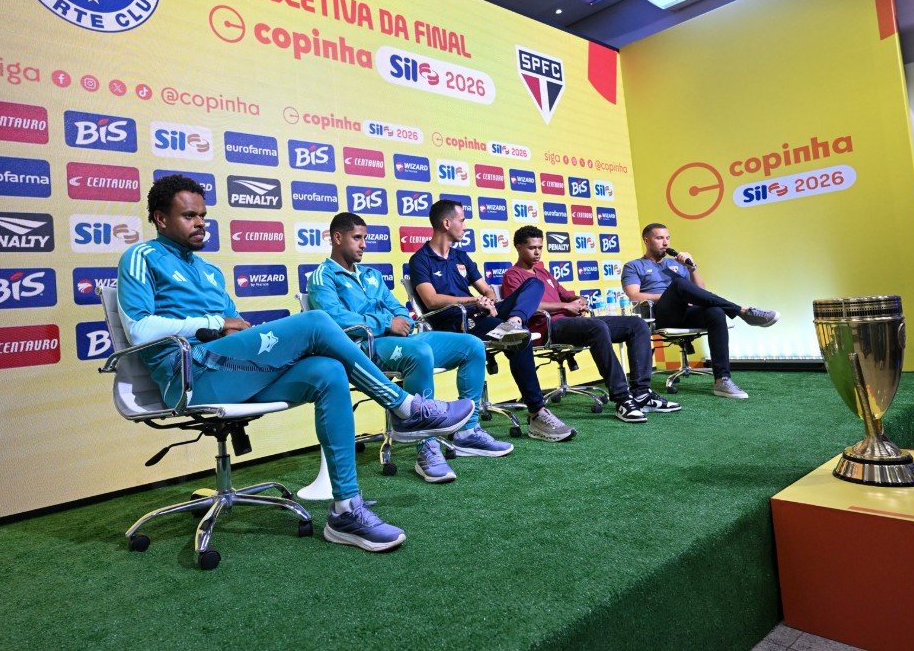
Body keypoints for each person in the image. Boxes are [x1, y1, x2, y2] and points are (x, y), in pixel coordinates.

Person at [117, 174, 474, 553]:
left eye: (203, 215)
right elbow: (139, 329)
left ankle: (346, 511)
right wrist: (214, 323)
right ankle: (405, 407)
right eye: (189, 216)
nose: (201, 222)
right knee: (318, 322)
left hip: (230, 370)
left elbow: (234, 331)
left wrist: (236, 331)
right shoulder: (141, 257)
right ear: (160, 218)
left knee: (328, 371)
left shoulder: (208, 271)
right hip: (190, 376)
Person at [308, 212, 512, 484]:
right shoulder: (323, 276)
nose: (364, 244)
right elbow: (334, 319)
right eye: (357, 238)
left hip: (401, 340)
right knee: (420, 353)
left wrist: (399, 319)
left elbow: (397, 308)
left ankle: (468, 432)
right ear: (337, 238)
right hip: (363, 348)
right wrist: (386, 322)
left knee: (472, 345)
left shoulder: (370, 275)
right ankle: (426, 446)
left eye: (365, 238)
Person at [407, 198, 576, 442]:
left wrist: (487, 300)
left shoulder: (461, 257)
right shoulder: (420, 259)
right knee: (522, 341)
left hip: (482, 314)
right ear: (446, 223)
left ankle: (515, 321)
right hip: (457, 324)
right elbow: (431, 300)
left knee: (534, 284)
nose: (465, 226)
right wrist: (473, 301)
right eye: (462, 220)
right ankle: (537, 413)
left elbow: (486, 290)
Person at [501, 225, 680, 423]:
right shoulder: (513, 275)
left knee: (636, 325)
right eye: (531, 248)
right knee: (597, 327)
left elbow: (566, 295)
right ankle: (622, 398)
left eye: (540, 247)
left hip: (573, 322)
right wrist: (565, 306)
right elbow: (521, 307)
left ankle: (641, 393)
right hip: (548, 328)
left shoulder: (544, 272)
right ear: (518, 248)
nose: (537, 252)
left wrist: (579, 300)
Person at [621, 223, 780, 400]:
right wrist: (672, 294)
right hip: (662, 315)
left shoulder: (676, 264)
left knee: (715, 312)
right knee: (679, 285)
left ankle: (722, 379)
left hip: (687, 312)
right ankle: (742, 311)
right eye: (659, 238)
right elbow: (634, 295)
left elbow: (701, 291)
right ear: (646, 240)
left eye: (667, 238)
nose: (665, 243)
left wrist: (691, 268)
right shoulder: (634, 266)